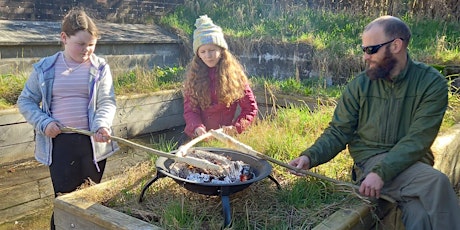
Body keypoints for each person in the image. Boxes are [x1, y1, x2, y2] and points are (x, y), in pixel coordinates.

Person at [288, 15, 460, 229]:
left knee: (420, 215)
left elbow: (418, 140)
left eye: (371, 50)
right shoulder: (359, 86)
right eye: (364, 50)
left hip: (413, 164)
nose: (365, 57)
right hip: (369, 163)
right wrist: (309, 156)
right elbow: (338, 132)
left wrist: (382, 173)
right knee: (437, 182)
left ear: (396, 45)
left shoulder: (431, 83)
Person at [16, 9, 119, 230]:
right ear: (64, 38)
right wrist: (44, 123)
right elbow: (25, 101)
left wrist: (102, 124)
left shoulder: (100, 67)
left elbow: (107, 101)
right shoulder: (45, 68)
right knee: (64, 200)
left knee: (91, 200)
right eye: (81, 44)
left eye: (91, 44)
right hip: (60, 144)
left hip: (93, 144)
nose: (87, 50)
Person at [182, 15, 258, 139]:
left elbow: (250, 108)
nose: (208, 56)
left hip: (227, 138)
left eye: (212, 50)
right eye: (203, 52)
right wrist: (197, 127)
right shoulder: (194, 78)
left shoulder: (235, 76)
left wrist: (236, 127)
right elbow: (190, 110)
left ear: (221, 50)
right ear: (198, 54)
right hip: (200, 138)